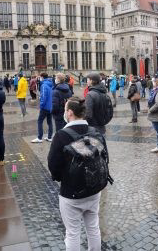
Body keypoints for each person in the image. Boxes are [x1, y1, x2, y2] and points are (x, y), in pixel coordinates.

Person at [47, 97, 110, 251]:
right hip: (94, 188)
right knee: (93, 227)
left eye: (65, 109)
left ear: (69, 113)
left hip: (71, 192)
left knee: (73, 232)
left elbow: (53, 164)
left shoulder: (61, 136)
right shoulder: (95, 132)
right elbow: (105, 157)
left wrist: (61, 178)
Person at [32, 74, 55, 143]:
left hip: (45, 107)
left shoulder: (44, 85)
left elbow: (44, 97)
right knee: (49, 122)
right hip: (50, 106)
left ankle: (39, 137)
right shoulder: (51, 84)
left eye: (40, 77)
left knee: (40, 121)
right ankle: (49, 137)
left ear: (42, 77)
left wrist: (41, 105)